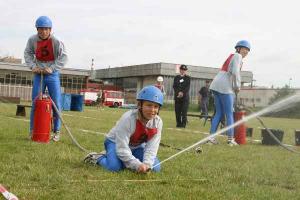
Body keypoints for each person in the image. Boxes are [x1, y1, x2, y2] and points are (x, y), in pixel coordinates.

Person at [84, 85, 164, 173]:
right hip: (114, 142)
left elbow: (152, 147)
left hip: (136, 146)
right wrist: (137, 165)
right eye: (149, 105)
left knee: (155, 168)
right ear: (140, 105)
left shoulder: (158, 122)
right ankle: (96, 157)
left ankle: (120, 159)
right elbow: (122, 147)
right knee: (114, 167)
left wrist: (147, 164)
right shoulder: (128, 119)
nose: (152, 110)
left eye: (156, 106)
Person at [24, 16, 68, 141]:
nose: (43, 32)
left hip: (52, 75)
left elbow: (64, 57)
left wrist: (52, 68)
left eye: (46, 29)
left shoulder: (57, 40)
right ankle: (33, 130)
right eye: (41, 29)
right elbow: (27, 53)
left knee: (56, 103)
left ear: (50, 29)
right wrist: (33, 66)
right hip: (39, 74)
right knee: (35, 102)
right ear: (37, 29)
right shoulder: (32, 40)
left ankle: (57, 131)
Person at [208, 40, 250, 146]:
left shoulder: (232, 56)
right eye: (245, 49)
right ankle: (230, 139)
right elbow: (235, 72)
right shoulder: (238, 56)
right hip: (225, 87)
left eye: (248, 50)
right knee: (229, 113)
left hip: (216, 84)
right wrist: (237, 86)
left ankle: (211, 138)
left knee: (219, 112)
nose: (246, 52)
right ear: (238, 48)